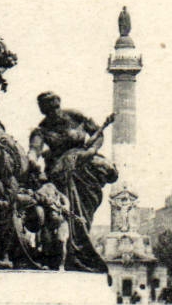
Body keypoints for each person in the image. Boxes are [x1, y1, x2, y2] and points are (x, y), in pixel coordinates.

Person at [28, 93, 117, 269]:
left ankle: (79, 251)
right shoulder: (41, 129)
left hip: (87, 169)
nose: (53, 113)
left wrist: (90, 152)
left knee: (85, 211)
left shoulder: (75, 116)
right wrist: (31, 159)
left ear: (59, 106)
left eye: (55, 109)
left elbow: (98, 134)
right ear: (43, 111)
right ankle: (72, 253)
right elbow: (34, 150)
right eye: (48, 111)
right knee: (69, 213)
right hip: (63, 173)